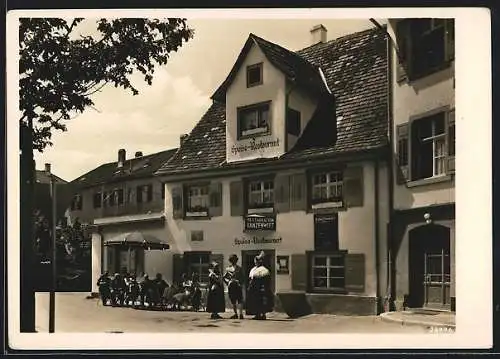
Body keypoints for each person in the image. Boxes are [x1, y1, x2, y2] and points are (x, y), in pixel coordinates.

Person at [246, 251, 274, 320]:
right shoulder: (253, 269)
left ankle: (263, 314)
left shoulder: (264, 270)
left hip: (261, 288)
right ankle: (257, 314)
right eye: (255, 261)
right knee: (256, 301)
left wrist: (264, 287)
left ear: (259, 262)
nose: (255, 263)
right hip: (254, 289)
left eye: (256, 261)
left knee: (262, 302)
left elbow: (266, 280)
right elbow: (251, 279)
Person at [224, 254, 244, 319]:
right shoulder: (228, 268)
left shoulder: (239, 268)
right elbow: (224, 277)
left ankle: (241, 314)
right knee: (233, 300)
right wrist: (228, 282)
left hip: (238, 286)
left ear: (236, 260)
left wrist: (240, 283)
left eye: (234, 260)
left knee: (240, 300)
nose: (233, 261)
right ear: (230, 261)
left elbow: (243, 278)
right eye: (232, 260)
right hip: (231, 286)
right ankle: (235, 314)